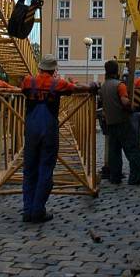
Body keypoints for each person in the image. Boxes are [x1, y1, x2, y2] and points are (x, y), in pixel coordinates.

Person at [21, 54, 95, 223]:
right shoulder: (58, 83)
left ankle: (27, 210)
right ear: (54, 70)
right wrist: (91, 87)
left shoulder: (28, 81)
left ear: (39, 68)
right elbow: (76, 89)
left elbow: (22, 90)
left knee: (29, 169)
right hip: (48, 129)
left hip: (31, 129)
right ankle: (38, 210)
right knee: (45, 168)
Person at [99, 60, 140, 185]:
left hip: (110, 123)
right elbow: (124, 101)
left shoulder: (103, 87)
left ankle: (115, 177)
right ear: (116, 70)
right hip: (123, 122)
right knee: (133, 150)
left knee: (114, 153)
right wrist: (132, 107)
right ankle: (134, 178)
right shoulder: (120, 85)